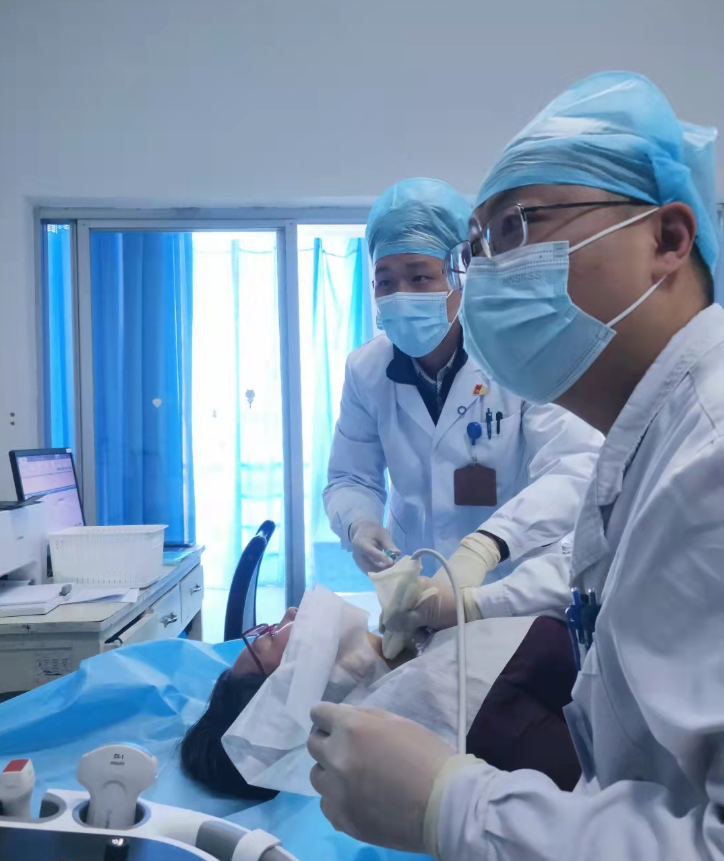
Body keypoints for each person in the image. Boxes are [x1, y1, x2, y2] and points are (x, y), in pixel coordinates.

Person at [307, 70, 724, 860]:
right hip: (440, 602)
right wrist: (363, 529)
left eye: (517, 228)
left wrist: (457, 808)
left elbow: (564, 484)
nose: (492, 273)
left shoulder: (707, 455)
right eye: (481, 246)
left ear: (669, 239)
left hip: (500, 606)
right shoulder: (648, 439)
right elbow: (350, 477)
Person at [324, 177, 602, 584]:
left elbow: (574, 467)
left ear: (460, 272)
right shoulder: (365, 370)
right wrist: (359, 523)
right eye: (385, 281)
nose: (401, 294)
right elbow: (350, 477)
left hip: (507, 580)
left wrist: (489, 544)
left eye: (419, 277)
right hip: (415, 579)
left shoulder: (521, 353)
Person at [181, 588, 580, 800]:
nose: (288, 613)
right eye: (267, 637)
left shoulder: (424, 650)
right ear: (290, 697)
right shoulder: (447, 704)